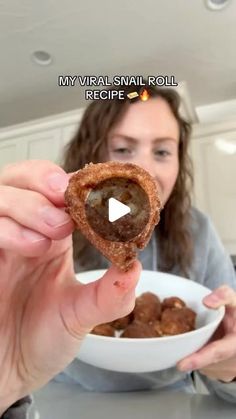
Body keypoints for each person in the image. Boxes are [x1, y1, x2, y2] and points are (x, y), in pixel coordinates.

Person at [0, 84, 236, 417]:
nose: (144, 170)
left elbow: (226, 383)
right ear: (92, 155)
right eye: (124, 149)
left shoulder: (199, 231)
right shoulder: (46, 237)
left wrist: (229, 367)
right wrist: (7, 384)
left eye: (163, 152)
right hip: (56, 403)